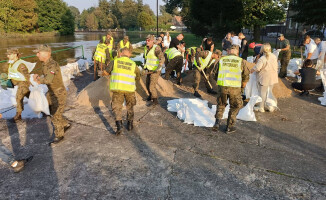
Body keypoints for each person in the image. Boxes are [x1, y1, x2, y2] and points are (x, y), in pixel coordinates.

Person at [32, 45, 70, 145]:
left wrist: (39, 80)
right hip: (51, 92)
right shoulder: (44, 64)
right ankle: (65, 124)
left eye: (39, 53)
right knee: (49, 110)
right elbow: (45, 75)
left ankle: (59, 135)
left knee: (55, 114)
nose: (37, 54)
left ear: (46, 53)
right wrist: (38, 76)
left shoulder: (53, 65)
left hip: (59, 93)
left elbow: (48, 79)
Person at [212, 45, 250, 133]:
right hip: (235, 89)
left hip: (222, 87)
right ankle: (229, 126)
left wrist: (220, 83)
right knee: (235, 106)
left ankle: (217, 123)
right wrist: (242, 87)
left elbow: (214, 74)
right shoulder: (241, 62)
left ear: (229, 51)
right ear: (237, 52)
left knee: (221, 104)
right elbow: (246, 77)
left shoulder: (221, 60)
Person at [104, 48, 140, 135]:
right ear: (129, 55)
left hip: (118, 89)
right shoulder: (133, 64)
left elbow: (105, 72)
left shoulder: (115, 61)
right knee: (130, 107)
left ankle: (119, 126)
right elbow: (138, 77)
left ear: (120, 53)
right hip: (130, 90)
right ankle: (130, 124)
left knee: (117, 107)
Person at [2, 48, 30, 121]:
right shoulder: (11, 63)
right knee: (30, 96)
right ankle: (44, 105)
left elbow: (26, 74)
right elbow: (4, 70)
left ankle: (18, 115)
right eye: (7, 54)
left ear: (15, 54)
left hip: (23, 83)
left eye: (9, 54)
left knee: (18, 98)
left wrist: (27, 84)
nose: (8, 56)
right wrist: (8, 63)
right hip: (17, 83)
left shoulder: (20, 64)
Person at [250, 43, 278, 112]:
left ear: (262, 49)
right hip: (273, 77)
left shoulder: (262, 59)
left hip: (264, 78)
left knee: (262, 93)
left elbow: (257, 68)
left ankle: (261, 107)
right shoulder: (274, 56)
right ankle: (267, 104)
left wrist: (251, 70)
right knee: (269, 92)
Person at [144, 35, 165, 105]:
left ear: (152, 41)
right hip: (149, 69)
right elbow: (146, 58)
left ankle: (155, 100)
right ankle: (150, 95)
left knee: (151, 86)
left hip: (156, 70)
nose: (147, 41)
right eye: (146, 40)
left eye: (148, 40)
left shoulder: (156, 48)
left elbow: (162, 58)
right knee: (147, 84)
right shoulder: (145, 48)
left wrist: (159, 67)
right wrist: (144, 67)